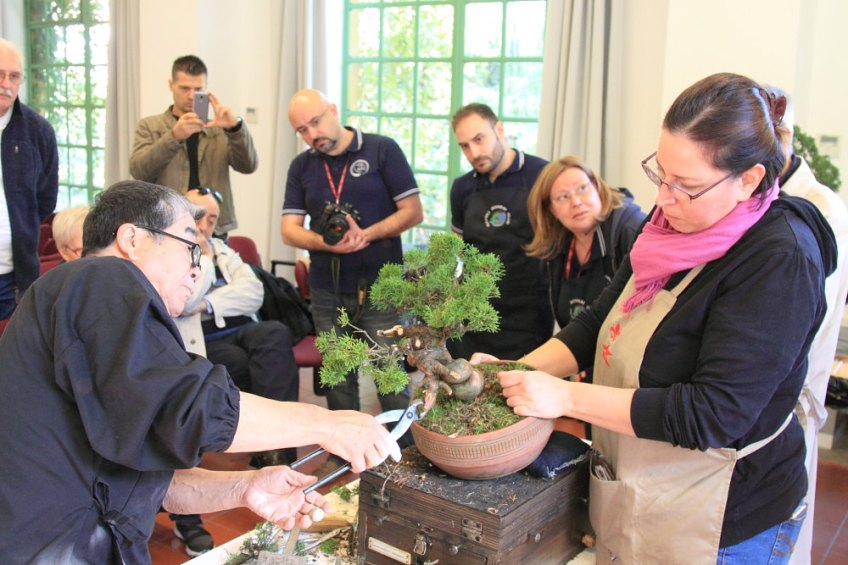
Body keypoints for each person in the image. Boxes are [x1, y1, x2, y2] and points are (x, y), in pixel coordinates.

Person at [476, 73, 837, 563]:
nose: (664, 198)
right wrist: (517, 371)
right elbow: (600, 321)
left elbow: (714, 413)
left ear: (749, 179)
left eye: (687, 185)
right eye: (661, 174)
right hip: (646, 487)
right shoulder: (667, 225)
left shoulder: (780, 259)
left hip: (726, 515)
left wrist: (565, 396)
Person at [0, 180, 401, 564]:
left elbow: (148, 481)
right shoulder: (99, 276)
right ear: (132, 239)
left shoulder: (95, 311)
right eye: (190, 246)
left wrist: (245, 486)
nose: (198, 267)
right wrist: (328, 425)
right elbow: (187, 408)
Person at [282, 88, 423, 414]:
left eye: (315, 122)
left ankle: (401, 443)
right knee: (338, 381)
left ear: (333, 110)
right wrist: (325, 242)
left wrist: (366, 235)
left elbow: (413, 211)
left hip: (380, 287)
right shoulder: (301, 166)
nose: (312, 134)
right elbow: (288, 230)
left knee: (389, 376)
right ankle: (344, 443)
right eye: (302, 130)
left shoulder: (381, 149)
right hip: (326, 289)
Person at [766, 87, 848, 565]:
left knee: (784, 525)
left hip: (791, 386)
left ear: (783, 136)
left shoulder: (821, 208)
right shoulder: (758, 192)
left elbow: (806, 319)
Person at [177, 186, 299, 467]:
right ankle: (267, 451)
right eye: (199, 216)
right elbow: (185, 301)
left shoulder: (223, 249)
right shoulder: (173, 253)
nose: (204, 226)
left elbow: (253, 292)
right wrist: (203, 258)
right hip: (203, 338)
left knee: (275, 333)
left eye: (212, 220)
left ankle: (278, 449)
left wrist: (207, 304)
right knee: (240, 363)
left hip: (242, 328)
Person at [448, 103, 552, 361]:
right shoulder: (462, 188)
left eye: (479, 139)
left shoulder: (541, 175)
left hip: (527, 312)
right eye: (465, 146)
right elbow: (457, 251)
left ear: (500, 129)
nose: (474, 153)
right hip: (475, 312)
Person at [130, 55, 257, 235]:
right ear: (171, 85)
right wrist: (174, 137)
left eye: (198, 89)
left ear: (206, 88)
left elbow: (248, 166)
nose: (191, 96)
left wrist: (235, 128)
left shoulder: (219, 128)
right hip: (168, 226)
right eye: (184, 88)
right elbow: (139, 171)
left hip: (213, 226)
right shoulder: (150, 126)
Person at [525, 155, 645, 341]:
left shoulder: (631, 231)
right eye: (563, 197)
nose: (576, 202)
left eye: (582, 188)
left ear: (597, 188)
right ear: (551, 210)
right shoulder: (557, 247)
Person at [0, 37, 58, 319]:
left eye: (14, 76)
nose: (6, 84)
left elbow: (45, 200)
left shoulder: (38, 131)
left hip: (14, 276)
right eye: (0, 75)